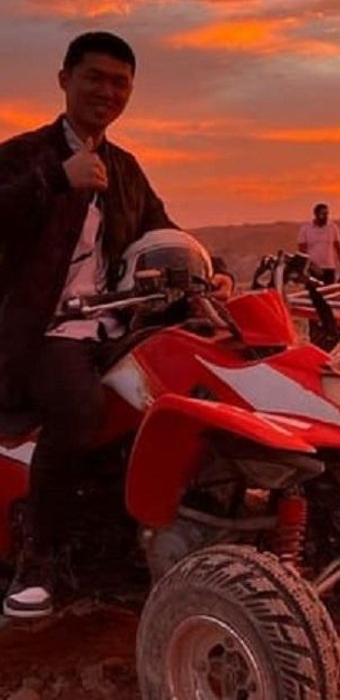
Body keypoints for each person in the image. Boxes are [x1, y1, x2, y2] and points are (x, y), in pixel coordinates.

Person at [0, 32, 181, 618]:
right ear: (64, 80)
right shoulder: (26, 154)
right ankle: (39, 562)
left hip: (112, 326)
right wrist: (56, 180)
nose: (107, 91)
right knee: (79, 409)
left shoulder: (124, 168)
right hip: (41, 332)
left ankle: (156, 532)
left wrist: (216, 273)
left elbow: (162, 227)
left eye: (119, 82)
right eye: (94, 77)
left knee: (181, 386)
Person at [298, 202, 340, 283]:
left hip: (329, 267)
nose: (325, 216)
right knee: (313, 293)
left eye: (327, 213)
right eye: (323, 214)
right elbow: (302, 250)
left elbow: (338, 248)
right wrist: (307, 266)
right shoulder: (306, 229)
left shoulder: (333, 228)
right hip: (313, 268)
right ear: (316, 214)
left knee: (329, 293)